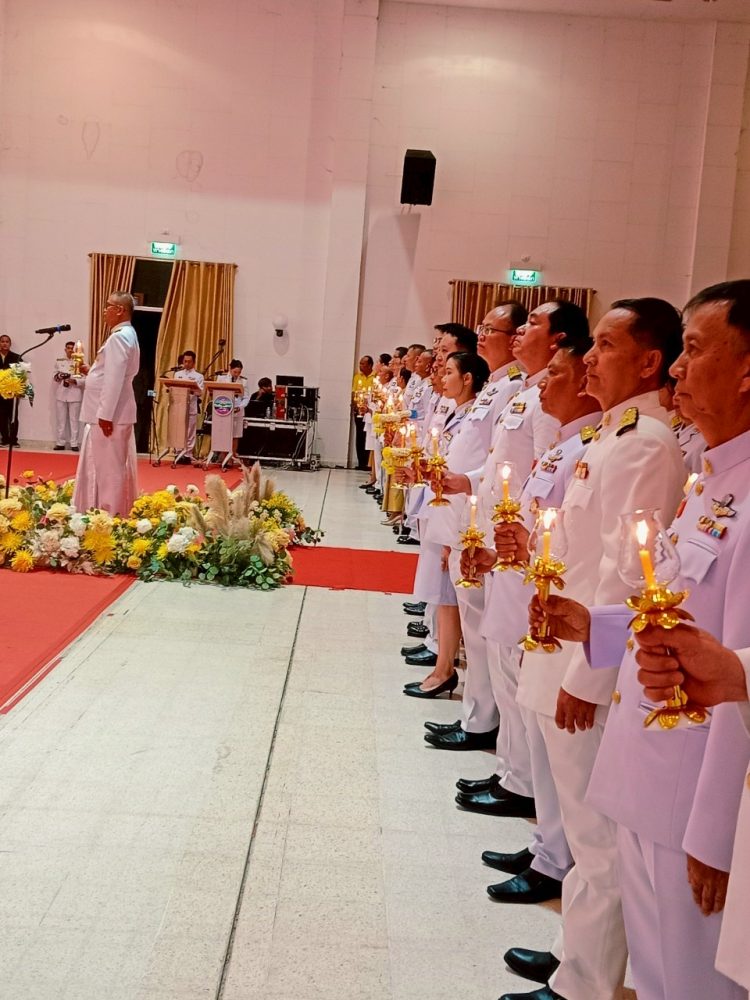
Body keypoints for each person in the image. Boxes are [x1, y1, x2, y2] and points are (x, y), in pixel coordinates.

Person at [500, 297, 687, 1000]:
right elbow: (579, 555)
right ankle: (571, 954)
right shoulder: (611, 435)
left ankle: (583, 985)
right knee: (582, 829)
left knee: (598, 836)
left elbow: (624, 574)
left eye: (607, 346)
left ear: (650, 361)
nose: (589, 359)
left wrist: (586, 674)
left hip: (589, 667)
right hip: (562, 652)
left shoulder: (645, 443)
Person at [72, 291, 139, 516]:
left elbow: (114, 380)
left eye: (108, 306)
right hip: (114, 412)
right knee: (107, 468)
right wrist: (92, 370)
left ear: (120, 310)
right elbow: (109, 373)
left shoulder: (119, 337)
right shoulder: (126, 334)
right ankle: (106, 512)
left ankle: (111, 516)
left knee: (110, 471)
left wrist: (105, 415)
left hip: (112, 415)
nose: (104, 310)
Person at [173, 350, 205, 459]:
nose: (186, 364)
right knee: (179, 430)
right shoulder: (177, 374)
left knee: (190, 431)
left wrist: (191, 390)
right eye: (185, 361)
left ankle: (188, 454)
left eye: (189, 361)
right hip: (179, 406)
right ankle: (178, 452)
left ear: (194, 362)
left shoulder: (198, 376)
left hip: (191, 406)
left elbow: (200, 392)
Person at [53, 340, 83, 451]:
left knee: (74, 420)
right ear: (65, 349)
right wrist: (60, 376)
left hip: (74, 393)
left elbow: (85, 378)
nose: (70, 350)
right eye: (68, 348)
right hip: (61, 394)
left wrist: (74, 381)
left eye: (72, 348)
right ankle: (60, 442)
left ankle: (74, 443)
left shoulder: (80, 362)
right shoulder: (59, 361)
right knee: (61, 420)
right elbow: (54, 377)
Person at [218, 359, 250, 463]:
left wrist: (240, 407)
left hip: (237, 410)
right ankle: (223, 456)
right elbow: (217, 394)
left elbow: (246, 397)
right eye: (235, 372)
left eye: (239, 372)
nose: (237, 374)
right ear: (230, 369)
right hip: (224, 410)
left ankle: (231, 457)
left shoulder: (243, 381)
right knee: (224, 434)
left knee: (235, 435)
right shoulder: (221, 378)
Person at [352, 356, 374, 471]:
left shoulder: (375, 377)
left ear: (370, 365)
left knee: (368, 436)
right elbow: (354, 392)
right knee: (360, 436)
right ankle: (361, 462)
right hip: (359, 410)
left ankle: (368, 463)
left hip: (370, 411)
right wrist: (355, 406)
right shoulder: (357, 377)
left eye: (363, 364)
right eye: (360, 364)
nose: (360, 366)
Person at [0, 334, 22, 446]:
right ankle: (4, 439)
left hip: (12, 393)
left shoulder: (16, 357)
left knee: (13, 417)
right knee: (1, 417)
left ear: (10, 344)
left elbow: (22, 375)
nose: (4, 343)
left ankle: (13, 440)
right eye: (2, 341)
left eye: (7, 341)